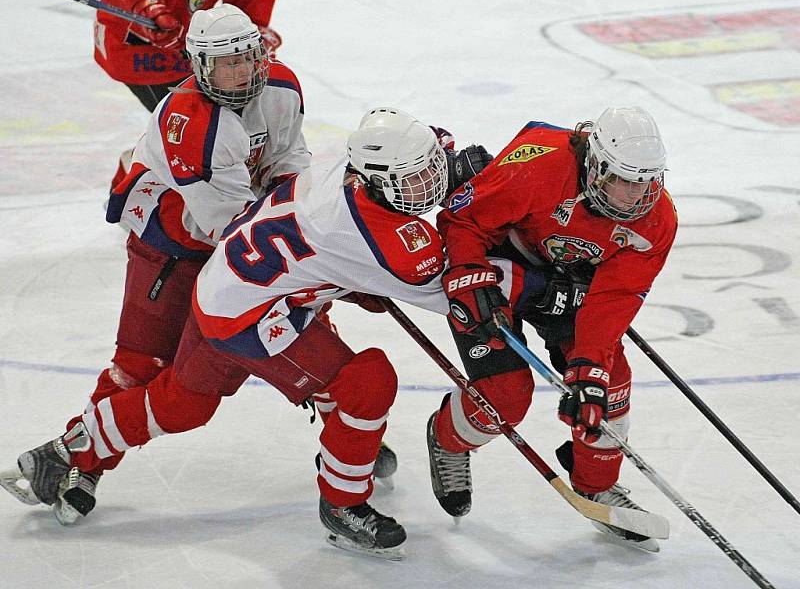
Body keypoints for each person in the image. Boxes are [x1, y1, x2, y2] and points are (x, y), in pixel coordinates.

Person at [0, 108, 491, 559]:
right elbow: (457, 293)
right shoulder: (384, 240)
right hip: (257, 322)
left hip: (219, 290)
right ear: (377, 180)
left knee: (184, 402)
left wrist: (442, 172)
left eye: (430, 170)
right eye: (415, 178)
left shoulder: (348, 168)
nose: (427, 185)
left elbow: (408, 168)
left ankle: (65, 452)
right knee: (368, 381)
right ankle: (343, 504)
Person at [0, 3, 307, 525]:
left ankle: (352, 427)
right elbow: (223, 228)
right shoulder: (191, 123)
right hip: (170, 241)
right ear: (197, 66)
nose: (241, 72)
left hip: (238, 232)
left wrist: (289, 201)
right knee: (142, 364)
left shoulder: (281, 88)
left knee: (302, 326)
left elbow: (290, 158)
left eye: (247, 58)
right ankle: (82, 459)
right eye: (225, 63)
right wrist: (300, 247)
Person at [429, 107, 677, 552]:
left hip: (565, 283)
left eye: (644, 181)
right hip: (500, 269)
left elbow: (615, 298)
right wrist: (468, 273)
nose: (634, 195)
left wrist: (588, 368)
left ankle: (595, 484)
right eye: (622, 179)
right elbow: (461, 220)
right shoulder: (540, 165)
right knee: (504, 397)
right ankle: (448, 438)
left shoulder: (656, 220)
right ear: (596, 165)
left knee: (608, 383)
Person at [94, 0, 283, 189]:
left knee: (227, 127)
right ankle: (131, 183)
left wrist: (251, 29)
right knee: (199, 135)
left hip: (196, 50)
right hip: (137, 50)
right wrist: (145, 6)